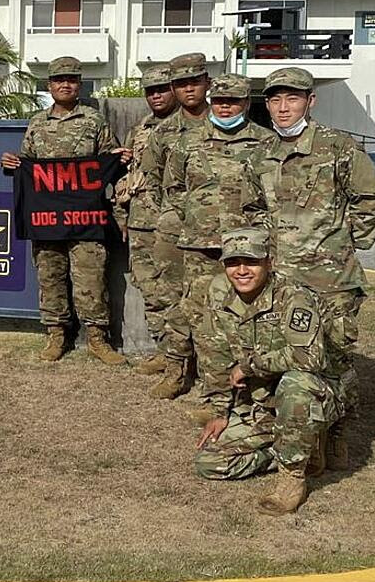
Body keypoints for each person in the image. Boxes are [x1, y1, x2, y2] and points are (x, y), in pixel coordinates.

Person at [252, 67, 375, 468]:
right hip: (282, 281)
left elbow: (370, 201)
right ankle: (304, 440)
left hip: (333, 281)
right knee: (295, 361)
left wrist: (342, 244)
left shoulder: (338, 147)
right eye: (275, 100)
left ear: (310, 101)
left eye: (292, 98)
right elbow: (252, 209)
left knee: (337, 358)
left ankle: (338, 433)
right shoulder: (262, 155)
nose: (283, 107)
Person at [194, 228, 340, 516]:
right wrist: (220, 410)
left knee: (296, 383)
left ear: (269, 262)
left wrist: (250, 366)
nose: (242, 271)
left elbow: (309, 356)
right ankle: (302, 445)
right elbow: (215, 353)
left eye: (251, 261)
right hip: (263, 402)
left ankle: (292, 477)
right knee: (210, 463)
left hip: (312, 394)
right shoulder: (218, 291)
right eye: (233, 263)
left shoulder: (294, 297)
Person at [0, 56, 128, 365]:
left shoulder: (94, 120)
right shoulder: (37, 123)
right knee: (50, 276)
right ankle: (56, 335)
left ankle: (98, 338)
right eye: (59, 80)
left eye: (71, 79)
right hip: (47, 219)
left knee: (91, 278)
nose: (65, 84)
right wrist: (12, 164)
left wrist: (117, 159)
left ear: (79, 85)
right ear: (50, 86)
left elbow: (108, 163)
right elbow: (26, 164)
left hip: (85, 217)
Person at [156, 73, 274, 404]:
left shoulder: (266, 143)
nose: (224, 107)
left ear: (246, 103)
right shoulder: (187, 141)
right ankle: (189, 377)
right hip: (199, 245)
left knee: (244, 316)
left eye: (232, 101)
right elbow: (174, 187)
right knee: (196, 314)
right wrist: (196, 218)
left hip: (247, 250)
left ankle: (246, 385)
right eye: (219, 101)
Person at [139, 53, 211, 394]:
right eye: (181, 84)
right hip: (175, 232)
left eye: (194, 81)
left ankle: (217, 379)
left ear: (207, 83)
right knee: (171, 301)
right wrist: (169, 217)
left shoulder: (232, 123)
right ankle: (177, 369)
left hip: (222, 236)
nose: (188, 89)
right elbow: (151, 179)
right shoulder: (164, 131)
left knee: (216, 306)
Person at [113, 62, 177, 374]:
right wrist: (120, 214)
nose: (156, 96)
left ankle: (185, 356)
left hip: (178, 225)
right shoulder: (139, 130)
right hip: (141, 221)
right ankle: (166, 351)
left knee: (180, 292)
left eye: (162, 89)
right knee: (150, 289)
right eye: (150, 91)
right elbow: (125, 175)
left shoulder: (190, 127)